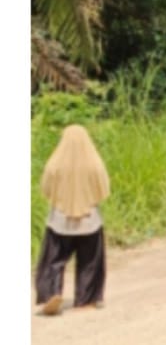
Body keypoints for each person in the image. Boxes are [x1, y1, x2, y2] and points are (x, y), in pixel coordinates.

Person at [35, 124, 110, 316]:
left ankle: (51, 293)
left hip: (59, 221)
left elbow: (46, 190)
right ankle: (86, 300)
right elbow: (103, 191)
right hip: (89, 221)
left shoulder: (54, 164)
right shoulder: (95, 164)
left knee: (53, 260)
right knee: (89, 262)